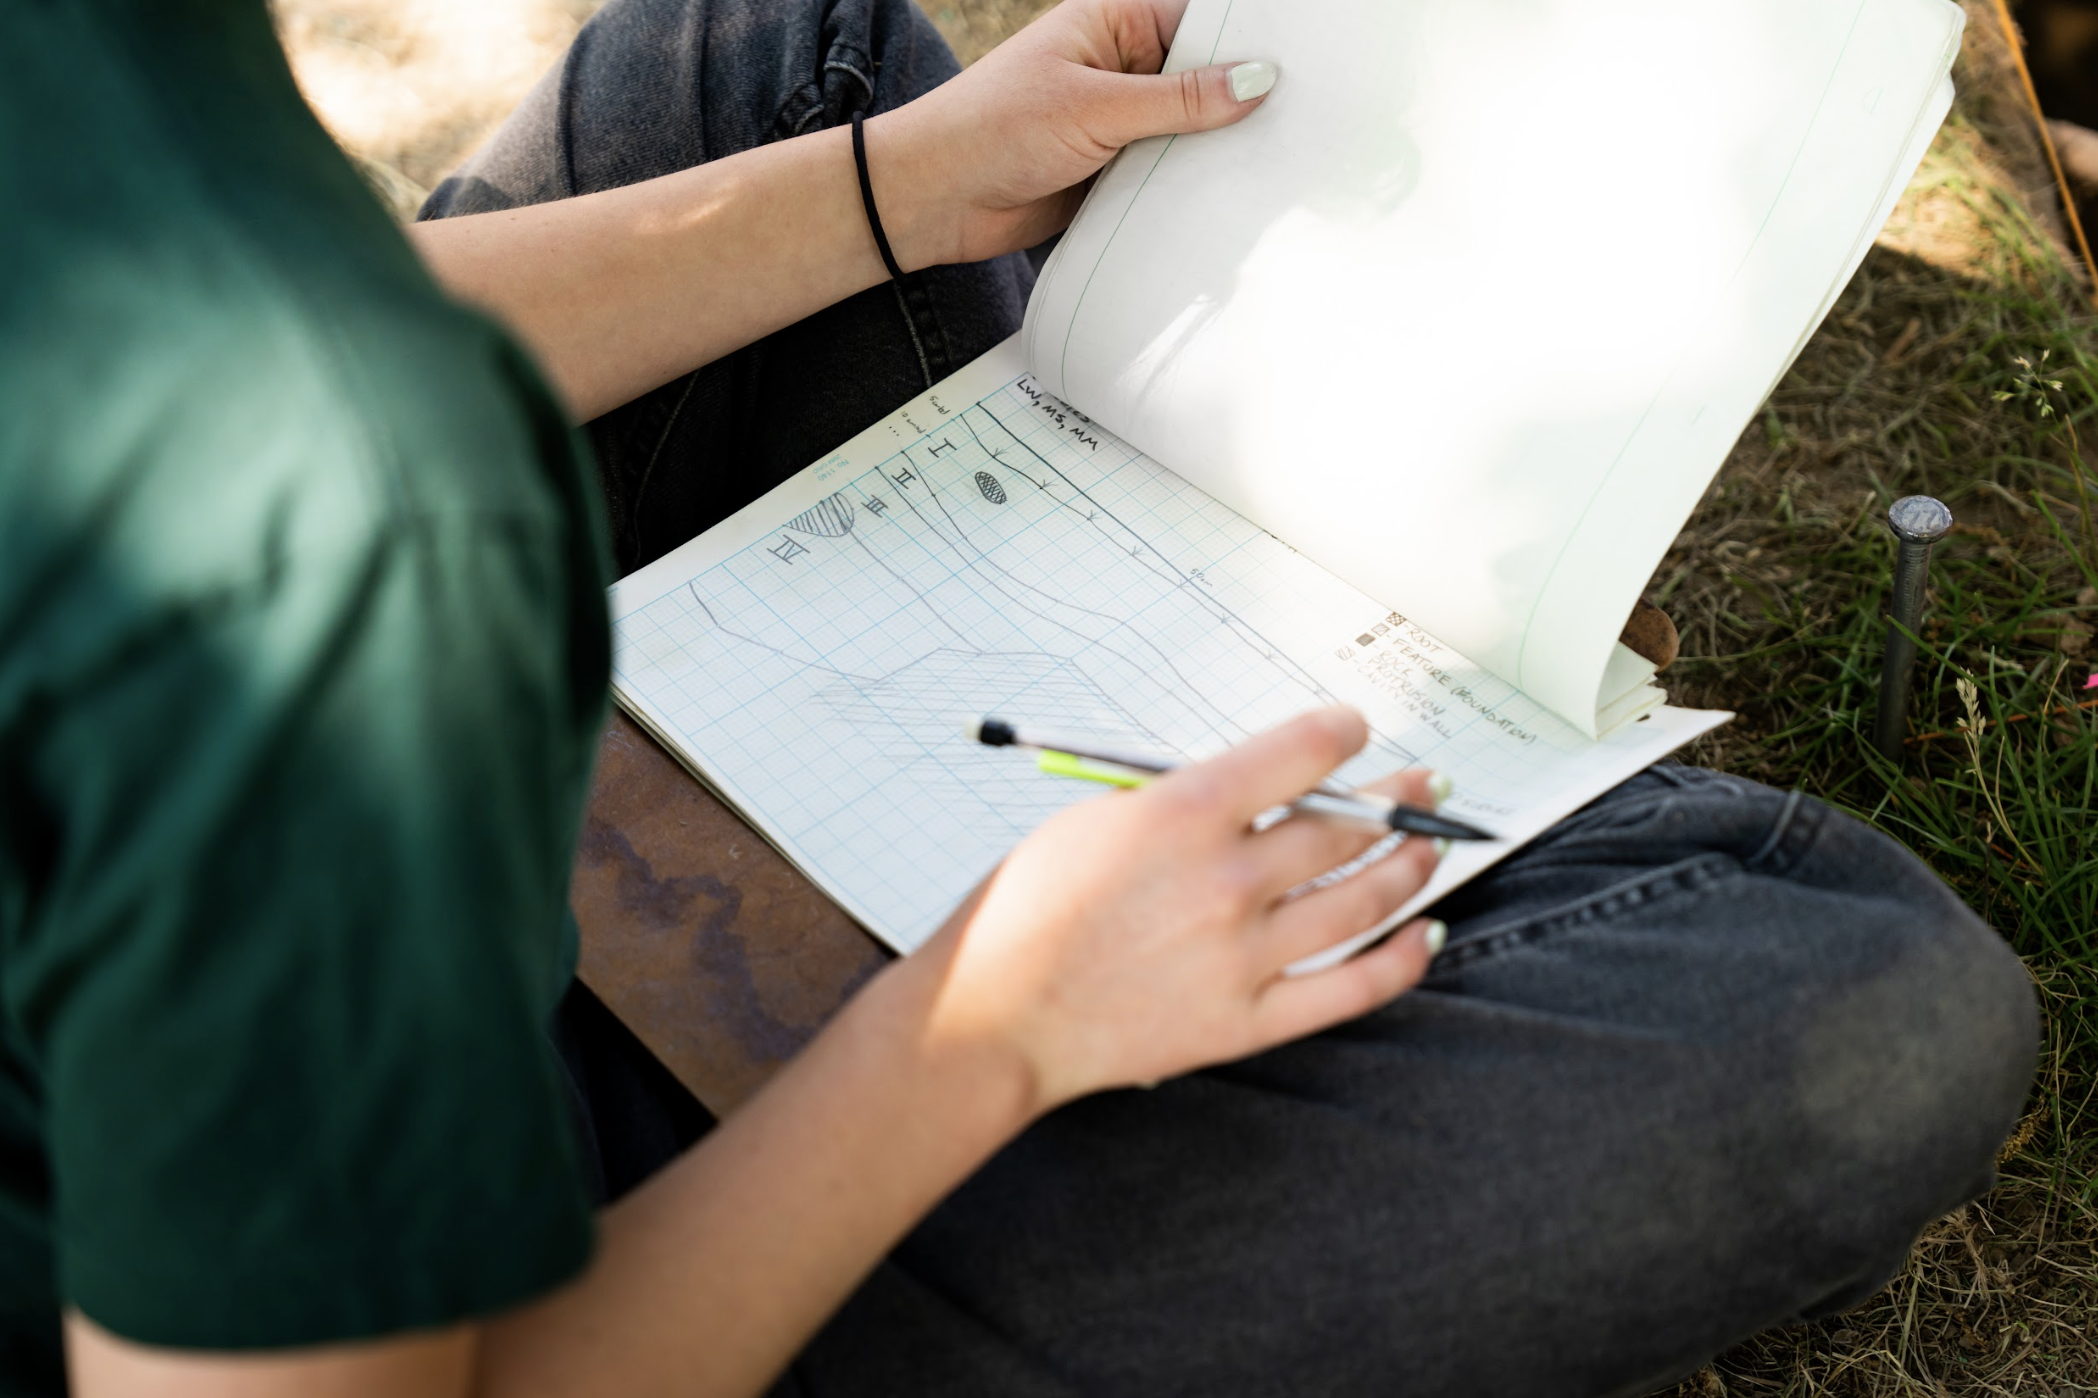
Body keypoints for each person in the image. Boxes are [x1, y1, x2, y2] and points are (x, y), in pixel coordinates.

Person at [0, 0, 2037, 1395]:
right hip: (533, 1243)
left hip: (310, 883)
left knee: (755, 53)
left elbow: (222, 354)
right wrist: (981, 1030)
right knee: (1859, 1008)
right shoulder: (310, 526)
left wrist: (899, 187)